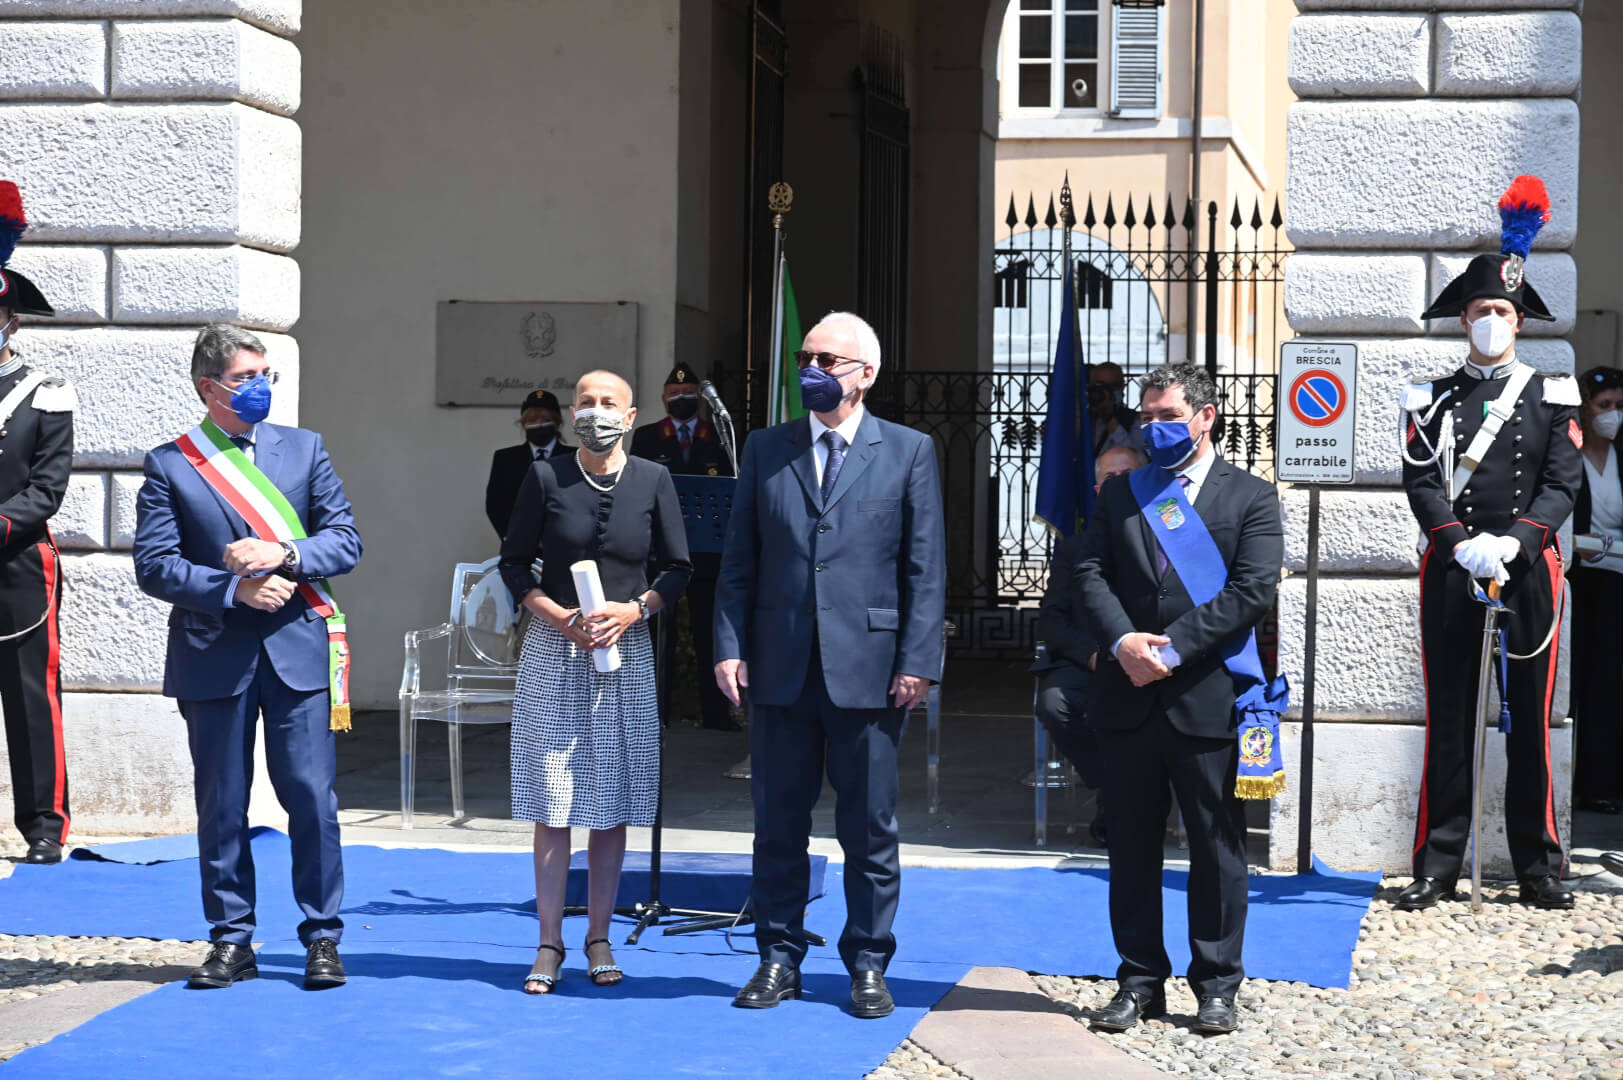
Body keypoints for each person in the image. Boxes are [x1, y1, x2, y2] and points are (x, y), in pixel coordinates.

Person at [715, 312, 945, 1019]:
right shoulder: (767, 447)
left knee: (868, 830)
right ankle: (777, 957)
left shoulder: (907, 450)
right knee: (778, 824)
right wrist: (729, 645)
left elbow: (924, 567)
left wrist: (917, 660)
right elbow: (740, 559)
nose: (811, 369)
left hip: (870, 671)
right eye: (805, 357)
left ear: (865, 374)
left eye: (827, 360)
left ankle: (868, 964)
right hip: (780, 666)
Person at [133, 324, 363, 990]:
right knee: (222, 804)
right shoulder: (172, 463)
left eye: (266, 375)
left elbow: (345, 541)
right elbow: (155, 565)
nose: (261, 387)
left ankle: (322, 936)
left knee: (311, 799)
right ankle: (231, 939)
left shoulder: (304, 448)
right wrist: (233, 589)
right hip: (214, 655)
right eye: (246, 378)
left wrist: (284, 554)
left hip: (297, 650)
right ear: (210, 387)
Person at [1076, 362, 1282, 1036]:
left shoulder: (1250, 497)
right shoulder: (1122, 493)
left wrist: (1167, 650)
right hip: (1127, 694)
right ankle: (1138, 981)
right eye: (1147, 417)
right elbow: (1088, 572)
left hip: (1205, 696)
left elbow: (1251, 591)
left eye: (1168, 416)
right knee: (1130, 847)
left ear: (1204, 417)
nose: (1153, 427)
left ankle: (1216, 984)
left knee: (1216, 846)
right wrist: (1122, 642)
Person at [1397, 176, 1581, 912]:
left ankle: (1538, 866)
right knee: (1448, 718)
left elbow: (1561, 485)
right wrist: (1457, 544)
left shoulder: (1553, 395)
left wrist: (1516, 542)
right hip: (1453, 571)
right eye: (1481, 311)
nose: (1492, 322)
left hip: (1527, 572)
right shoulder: (1428, 399)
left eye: (1503, 311)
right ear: (1462, 320)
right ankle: (1437, 863)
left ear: (1520, 321)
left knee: (1530, 721)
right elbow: (1419, 483)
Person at [498, 369, 692, 995]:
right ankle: (549, 941)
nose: (597, 411)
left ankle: (600, 938)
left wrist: (635, 611)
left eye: (609, 403)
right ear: (572, 412)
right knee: (552, 800)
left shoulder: (654, 479)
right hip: (555, 651)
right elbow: (513, 563)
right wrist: (559, 617)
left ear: (631, 417)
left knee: (611, 804)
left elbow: (678, 568)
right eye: (586, 402)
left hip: (623, 653)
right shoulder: (545, 477)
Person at [0, 181, 75, 866]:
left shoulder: (44, 393)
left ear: (12, 323)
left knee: (30, 699)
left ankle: (44, 824)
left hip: (17, 563)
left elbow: (46, 489)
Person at [1032, 443, 1146, 848]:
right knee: (1054, 704)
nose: (1118, 483)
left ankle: (1122, 800)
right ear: (1097, 490)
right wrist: (1092, 654)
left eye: (1128, 475)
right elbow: (1052, 619)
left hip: (1146, 662)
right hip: (1089, 661)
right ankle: (1116, 789)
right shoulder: (1074, 548)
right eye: (1109, 478)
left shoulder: (1165, 544)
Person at [630, 364, 738, 731]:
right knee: (660, 633)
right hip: (662, 552)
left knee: (709, 630)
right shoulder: (647, 437)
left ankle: (717, 714)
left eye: (688, 392)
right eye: (674, 394)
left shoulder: (718, 436)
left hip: (707, 552)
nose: (681, 398)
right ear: (664, 399)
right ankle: (654, 712)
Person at [1570, 366, 1623, 813]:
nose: (1613, 415)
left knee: (1609, 680)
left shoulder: (1622, 459)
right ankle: (1572, 781)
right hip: (1578, 579)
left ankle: (1602, 783)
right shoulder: (1569, 460)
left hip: (1617, 582)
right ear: (1585, 409)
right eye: (1604, 405)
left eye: (1619, 406)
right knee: (1576, 678)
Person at [485, 389, 572, 540]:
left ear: (557, 422)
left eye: (545, 419)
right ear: (523, 424)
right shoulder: (506, 459)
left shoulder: (573, 458)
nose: (538, 425)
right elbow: (495, 504)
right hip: (519, 544)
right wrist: (515, 537)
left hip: (564, 544)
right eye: (532, 420)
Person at [1089, 362, 1141, 455]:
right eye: (1101, 386)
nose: (1108, 392)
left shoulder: (1133, 420)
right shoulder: (1081, 420)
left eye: (1114, 386)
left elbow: (1133, 457)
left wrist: (1110, 419)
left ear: (1123, 387)